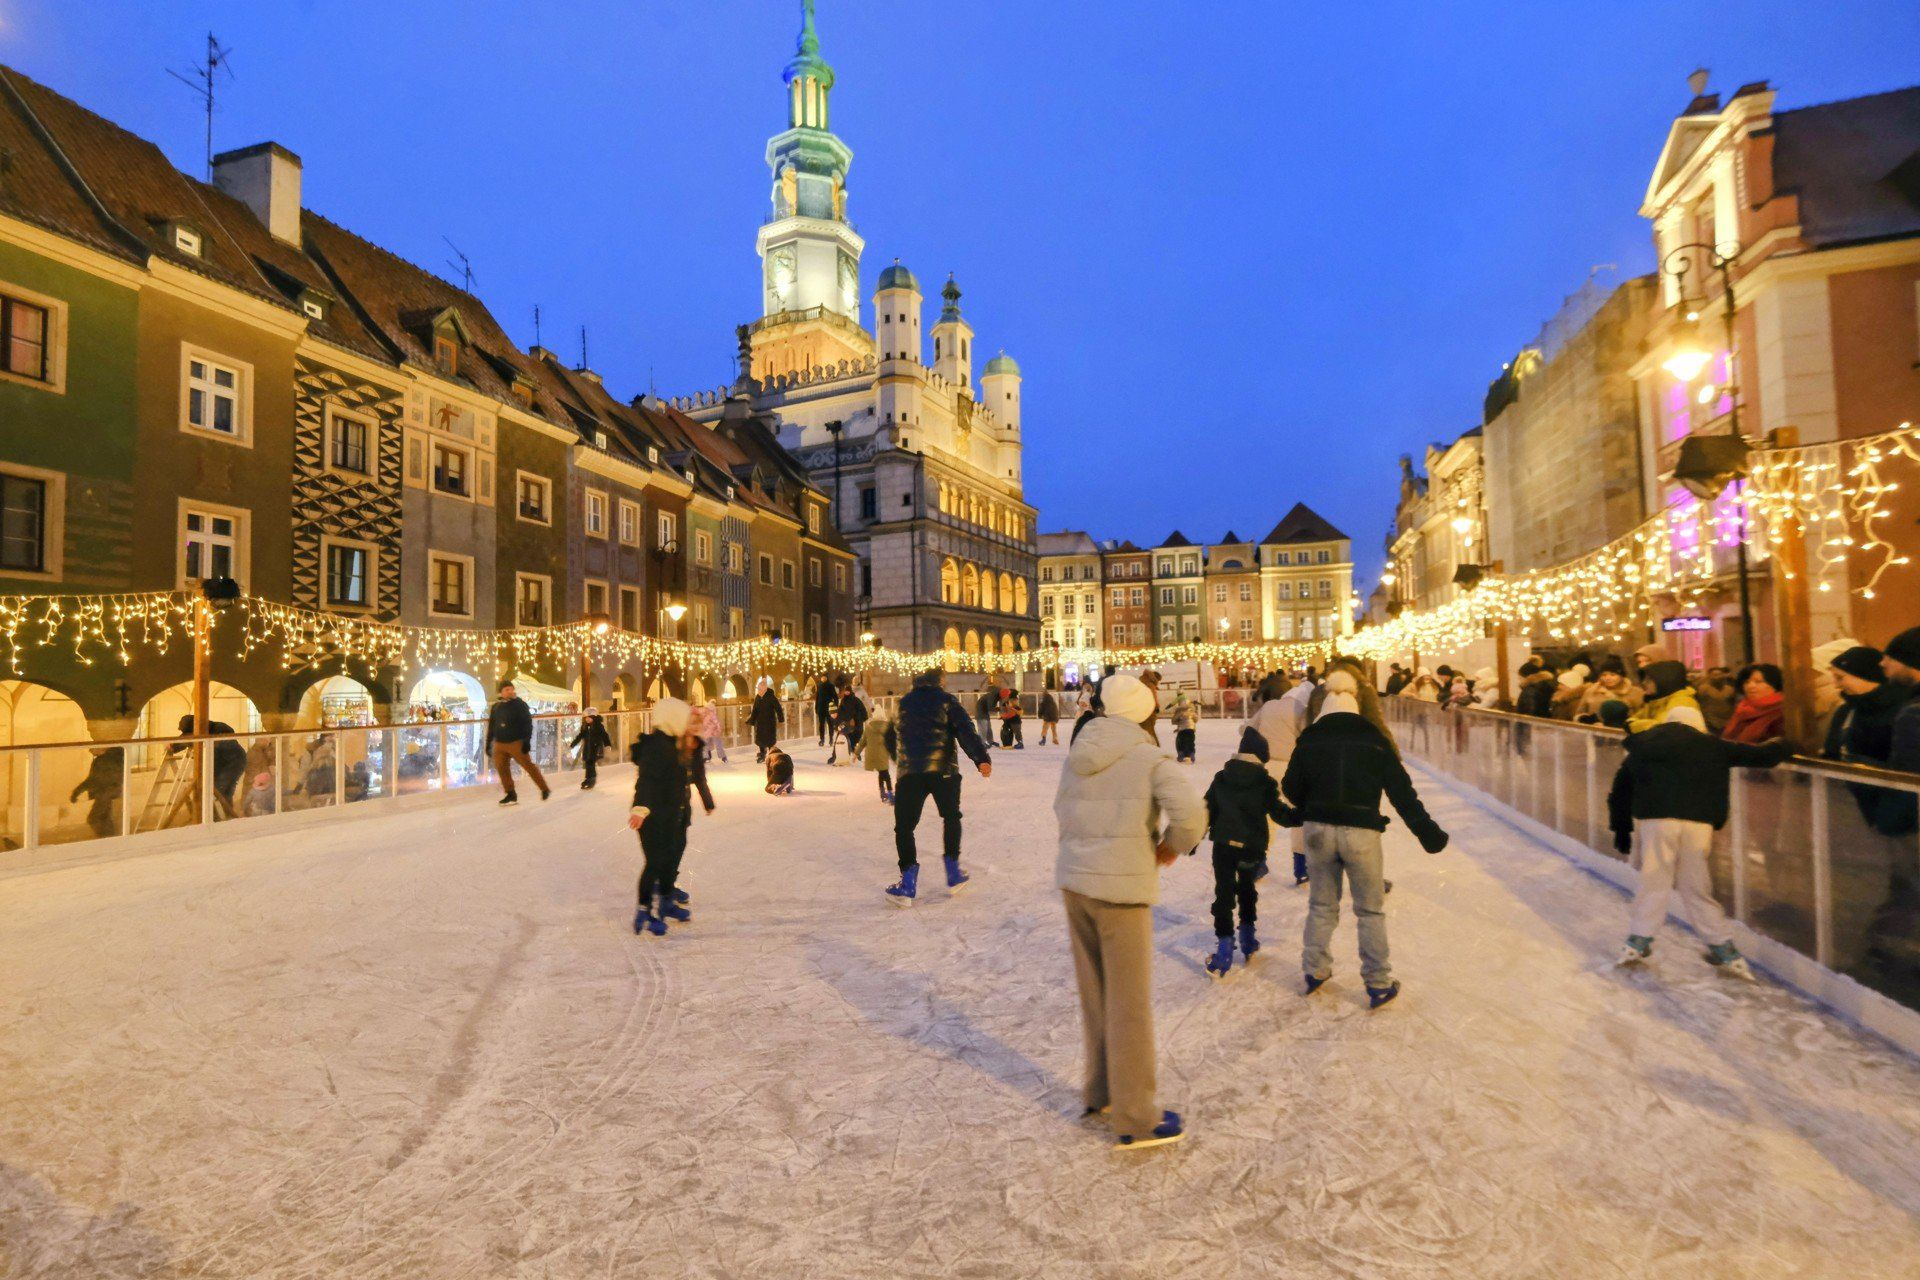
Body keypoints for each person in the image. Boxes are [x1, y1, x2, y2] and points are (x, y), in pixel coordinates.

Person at [1054, 672, 1206, 1150]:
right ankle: (1136, 1116)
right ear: (1143, 713)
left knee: (1096, 995)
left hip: (1076, 884)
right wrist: (1169, 847)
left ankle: (1102, 1092)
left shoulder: (1080, 753)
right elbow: (1192, 817)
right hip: (1121, 890)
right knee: (1129, 1006)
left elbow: (1062, 810)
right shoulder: (1148, 756)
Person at [1282, 689, 1449, 1008]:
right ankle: (1378, 983)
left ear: (1325, 712)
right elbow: (1403, 793)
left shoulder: (1311, 738)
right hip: (1362, 833)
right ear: (1356, 711)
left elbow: (1290, 785)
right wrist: (1428, 833)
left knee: (1321, 905)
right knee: (1370, 910)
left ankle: (1315, 970)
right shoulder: (1373, 738)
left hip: (1317, 831)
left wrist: (1314, 802)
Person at [1609, 704, 1791, 975]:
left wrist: (1621, 826)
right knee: (1696, 884)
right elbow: (1762, 756)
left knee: (1654, 879)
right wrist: (1785, 744)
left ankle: (1639, 939)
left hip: (1657, 821)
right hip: (1698, 824)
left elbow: (1621, 788)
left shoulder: (1644, 746)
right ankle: (1722, 947)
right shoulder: (1712, 746)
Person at [886, 668, 993, 906]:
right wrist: (981, 759)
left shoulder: (903, 703)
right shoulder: (946, 701)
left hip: (910, 773)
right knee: (951, 816)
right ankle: (953, 872)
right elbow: (965, 730)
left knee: (904, 827)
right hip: (944, 771)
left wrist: (902, 758)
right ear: (938, 682)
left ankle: (907, 883)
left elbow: (888, 736)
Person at [1201, 727, 1292, 978]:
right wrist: (1304, 815)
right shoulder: (1264, 781)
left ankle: (1224, 951)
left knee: (1224, 893)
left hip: (1223, 845)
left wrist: (1192, 835)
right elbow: (1280, 814)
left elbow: (1206, 808)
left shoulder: (1222, 777)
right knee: (1247, 888)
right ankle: (1248, 939)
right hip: (1252, 846)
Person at [627, 698, 714, 936]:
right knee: (655, 864)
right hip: (653, 816)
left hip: (670, 814)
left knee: (666, 861)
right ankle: (644, 912)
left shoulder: (672, 742)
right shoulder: (657, 746)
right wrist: (640, 809)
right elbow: (646, 780)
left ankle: (664, 901)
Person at [483, 682, 549, 805]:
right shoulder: (496, 707)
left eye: (511, 689)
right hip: (499, 743)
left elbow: (527, 723)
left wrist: (526, 741)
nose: (510, 691)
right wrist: (488, 743)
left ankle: (544, 788)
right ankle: (510, 793)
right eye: (507, 689)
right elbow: (491, 726)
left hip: (516, 742)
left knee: (528, 766)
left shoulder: (520, 705)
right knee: (502, 768)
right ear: (501, 692)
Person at [172, 714, 248, 816]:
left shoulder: (220, 729)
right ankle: (222, 816)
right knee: (219, 790)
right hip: (222, 763)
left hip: (234, 762)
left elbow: (218, 752)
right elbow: (187, 737)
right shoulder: (200, 729)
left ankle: (219, 817)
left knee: (219, 789)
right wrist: (173, 747)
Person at [1627, 660, 1700, 734]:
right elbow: (1632, 719)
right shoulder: (1655, 701)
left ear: (1664, 680)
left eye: (1649, 679)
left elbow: (1669, 732)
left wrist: (1637, 725)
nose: (1644, 682)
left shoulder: (1683, 702)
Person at [69, 746, 124, 838]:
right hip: (111, 792)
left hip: (105, 793)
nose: (90, 750)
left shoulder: (101, 761)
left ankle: (106, 839)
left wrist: (76, 792)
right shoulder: (114, 758)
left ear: (102, 748)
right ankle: (110, 839)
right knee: (105, 818)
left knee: (93, 819)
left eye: (92, 748)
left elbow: (92, 780)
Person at [1722, 664, 1786, 744]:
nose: (1750, 686)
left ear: (1774, 684)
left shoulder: (1781, 712)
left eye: (1758, 682)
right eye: (1746, 682)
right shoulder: (1742, 709)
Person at [1575, 659, 1643, 723]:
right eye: (1604, 675)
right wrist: (1587, 720)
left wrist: (1613, 697)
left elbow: (1640, 717)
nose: (1607, 678)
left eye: (1612, 675)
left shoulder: (1635, 692)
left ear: (1621, 676)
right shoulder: (1592, 691)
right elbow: (1579, 713)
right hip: (1594, 732)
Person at [859, 708, 897, 802]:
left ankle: (882, 792)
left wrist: (856, 753)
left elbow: (862, 742)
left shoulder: (868, 727)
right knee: (886, 774)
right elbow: (893, 740)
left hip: (872, 755)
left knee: (881, 773)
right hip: (883, 754)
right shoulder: (887, 727)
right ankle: (890, 793)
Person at [569, 708, 613, 790]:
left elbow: (604, 735)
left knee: (591, 763)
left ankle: (592, 779)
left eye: (589, 717)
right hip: (588, 748)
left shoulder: (598, 726)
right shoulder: (585, 726)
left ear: (594, 717)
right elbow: (580, 736)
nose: (587, 719)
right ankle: (588, 778)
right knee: (588, 763)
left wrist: (607, 744)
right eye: (586, 718)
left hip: (596, 748)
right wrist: (573, 743)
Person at [830, 680, 867, 765]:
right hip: (847, 725)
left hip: (857, 725)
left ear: (850, 691)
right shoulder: (843, 701)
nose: (846, 693)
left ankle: (856, 754)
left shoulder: (856, 700)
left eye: (848, 691)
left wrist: (859, 720)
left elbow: (863, 711)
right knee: (847, 741)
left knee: (854, 741)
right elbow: (840, 711)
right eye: (845, 691)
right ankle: (838, 756)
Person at [1695, 666, 1739, 736]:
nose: (1718, 677)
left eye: (1720, 674)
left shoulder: (1730, 690)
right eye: (1715, 675)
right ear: (1709, 676)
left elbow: (1734, 705)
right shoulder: (1703, 689)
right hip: (1710, 724)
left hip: (1727, 723)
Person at [750, 677, 784, 763]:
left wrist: (781, 719)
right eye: (758, 688)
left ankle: (772, 755)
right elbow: (755, 710)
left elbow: (778, 708)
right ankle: (762, 754)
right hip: (760, 722)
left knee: (770, 740)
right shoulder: (757, 697)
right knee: (760, 739)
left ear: (764, 689)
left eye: (760, 688)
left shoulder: (771, 697)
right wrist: (752, 720)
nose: (759, 690)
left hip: (770, 722)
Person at [1169, 691, 1198, 764]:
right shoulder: (1191, 710)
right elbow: (1196, 719)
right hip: (1191, 729)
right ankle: (1191, 753)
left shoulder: (1179, 711)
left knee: (1180, 742)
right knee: (1190, 742)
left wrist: (1178, 721)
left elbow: (1173, 721)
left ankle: (1181, 754)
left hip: (1181, 729)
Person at [813, 676, 837, 747]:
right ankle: (822, 739)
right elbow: (817, 698)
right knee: (821, 725)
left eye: (824, 677)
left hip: (829, 709)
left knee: (830, 724)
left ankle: (831, 739)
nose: (823, 678)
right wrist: (816, 708)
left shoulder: (830, 686)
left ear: (826, 678)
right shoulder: (819, 686)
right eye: (822, 677)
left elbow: (835, 696)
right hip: (821, 709)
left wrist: (835, 707)